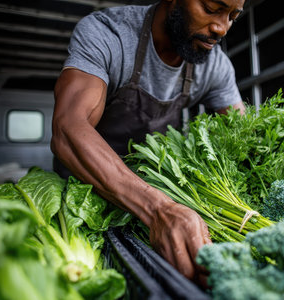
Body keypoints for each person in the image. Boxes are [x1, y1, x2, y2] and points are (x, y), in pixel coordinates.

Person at [51, 0, 246, 284]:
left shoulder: (215, 66)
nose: (221, 28)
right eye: (211, 7)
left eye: (232, 16)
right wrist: (158, 210)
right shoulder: (109, 34)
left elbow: (245, 134)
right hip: (83, 197)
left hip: (158, 198)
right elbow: (68, 128)